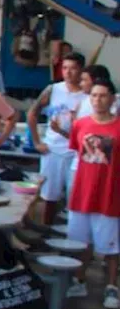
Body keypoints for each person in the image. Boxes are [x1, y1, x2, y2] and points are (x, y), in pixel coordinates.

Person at [66, 78, 121, 309]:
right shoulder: (80, 124)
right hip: (82, 194)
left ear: (112, 98)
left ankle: (111, 287)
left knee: (111, 247)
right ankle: (79, 280)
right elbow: (78, 154)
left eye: (103, 95)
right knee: (80, 242)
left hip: (109, 196)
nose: (98, 100)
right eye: (94, 95)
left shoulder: (119, 126)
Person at [29, 51, 87, 225]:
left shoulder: (87, 95)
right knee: (48, 195)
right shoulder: (53, 89)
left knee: (75, 196)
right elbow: (32, 113)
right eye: (65, 68)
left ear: (81, 70)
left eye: (73, 68)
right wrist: (37, 141)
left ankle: (71, 235)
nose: (68, 72)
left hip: (75, 152)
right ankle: (45, 230)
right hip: (52, 148)